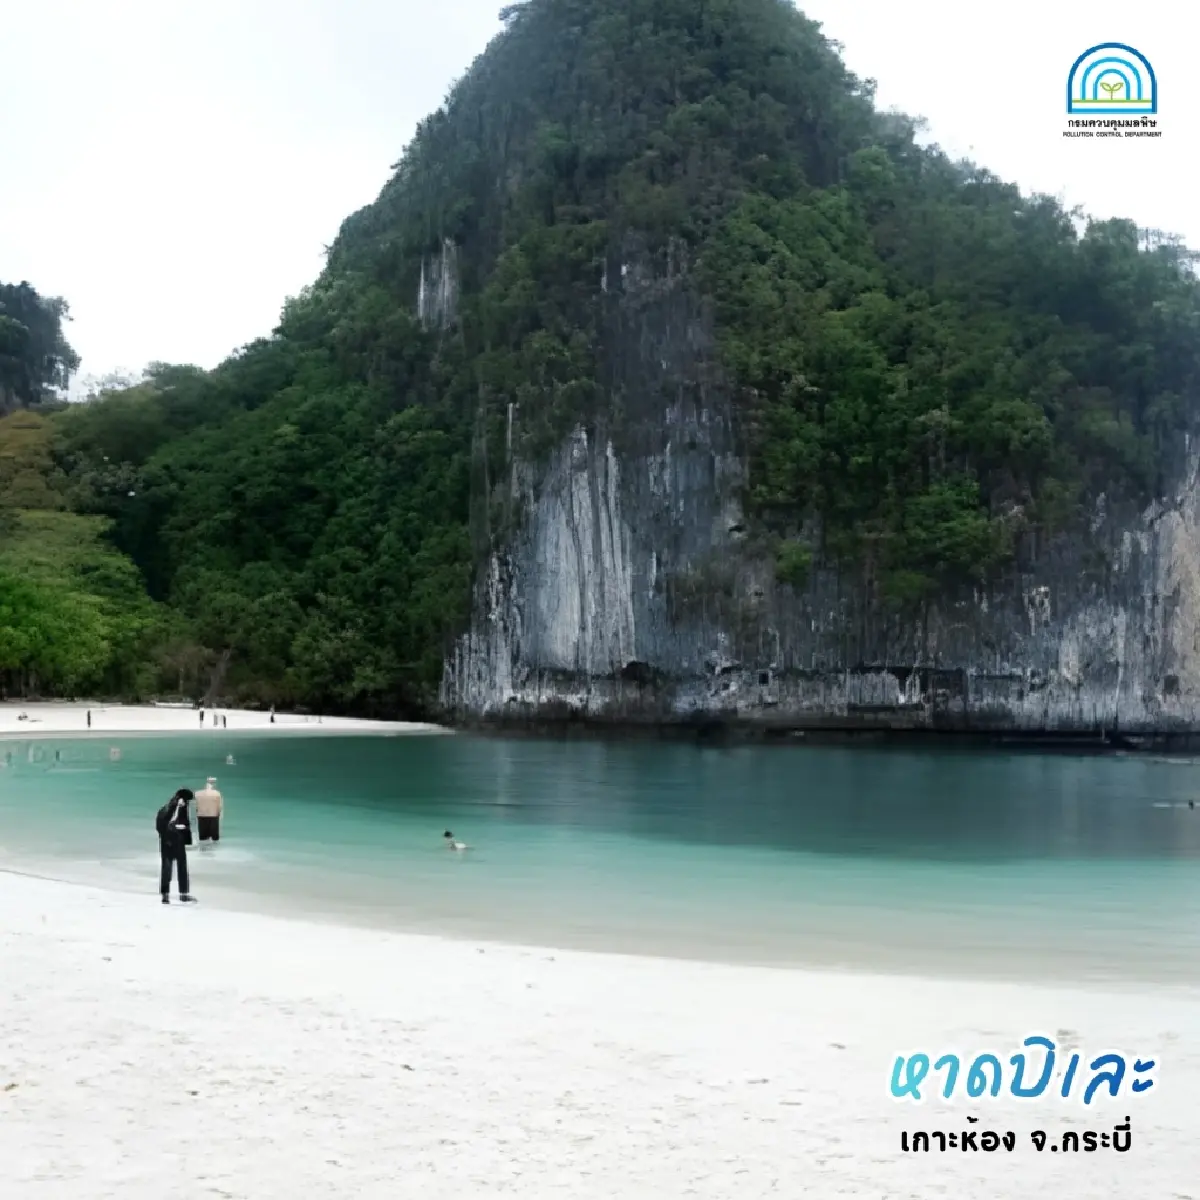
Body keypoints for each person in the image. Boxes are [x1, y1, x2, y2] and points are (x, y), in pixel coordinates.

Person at [156, 788, 196, 904]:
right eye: (187, 801)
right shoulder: (172, 807)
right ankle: (178, 894)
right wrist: (171, 834)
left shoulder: (174, 807)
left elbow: (183, 823)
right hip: (172, 840)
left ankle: (170, 895)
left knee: (172, 868)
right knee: (175, 868)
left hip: (172, 841)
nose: (187, 803)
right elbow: (163, 824)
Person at [196, 776, 223, 846]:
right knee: (214, 838)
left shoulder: (197, 793)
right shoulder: (217, 793)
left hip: (201, 816)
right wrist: (219, 816)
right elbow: (219, 807)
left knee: (203, 838)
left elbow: (195, 806)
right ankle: (215, 850)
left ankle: (202, 850)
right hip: (213, 816)